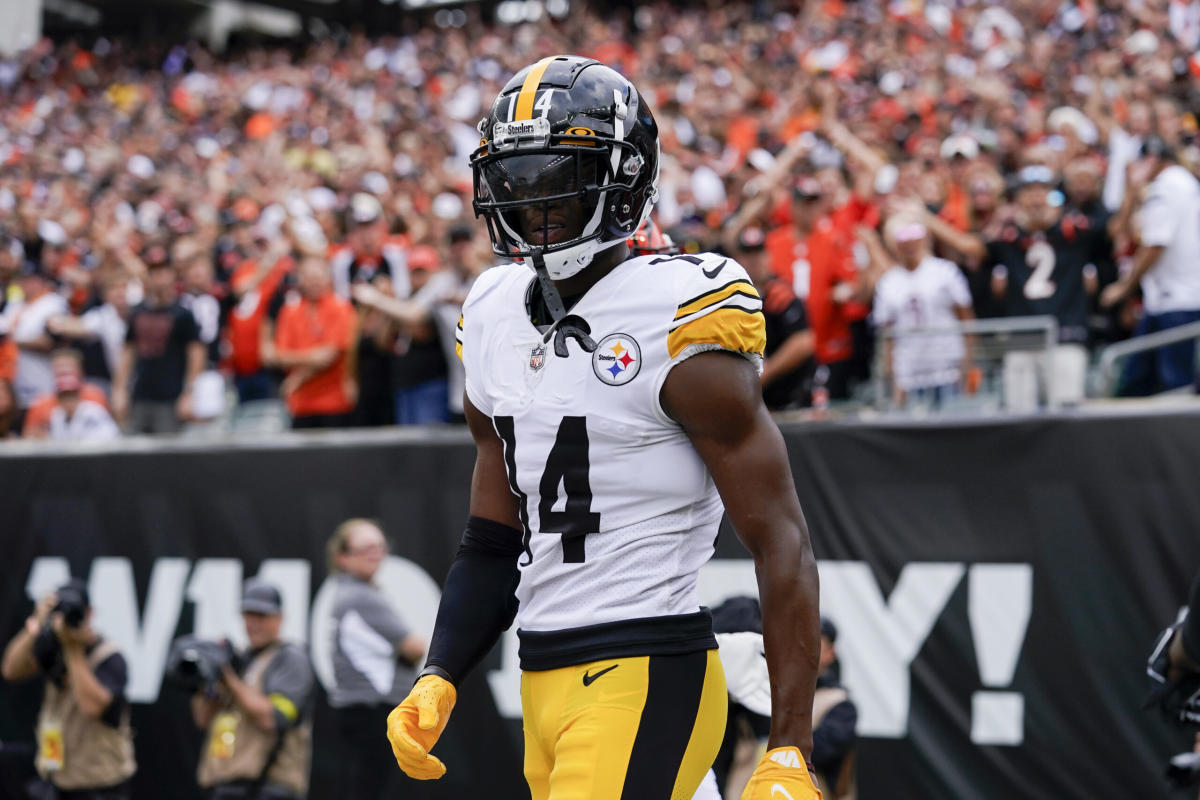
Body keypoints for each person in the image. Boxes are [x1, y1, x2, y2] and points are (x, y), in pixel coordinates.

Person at [385, 55, 822, 800]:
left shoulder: (681, 312)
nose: (533, 201)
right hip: (541, 676)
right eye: (517, 179)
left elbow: (780, 537)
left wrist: (790, 747)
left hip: (646, 664)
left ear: (625, 183)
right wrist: (440, 670)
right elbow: (493, 539)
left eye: (559, 177)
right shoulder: (491, 311)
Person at [0, 579, 136, 800]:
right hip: (58, 781)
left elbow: (92, 707)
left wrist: (73, 649)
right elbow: (10, 670)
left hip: (100, 786)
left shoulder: (110, 657)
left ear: (89, 614)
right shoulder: (53, 648)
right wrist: (36, 622)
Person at [325, 519, 426, 800]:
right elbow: (415, 648)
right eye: (367, 547)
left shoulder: (348, 593)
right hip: (373, 711)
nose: (376, 554)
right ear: (343, 557)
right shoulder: (361, 597)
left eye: (381, 547)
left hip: (361, 710)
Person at [193, 580, 315, 800]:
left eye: (262, 616)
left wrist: (230, 680)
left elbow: (273, 718)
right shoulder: (239, 659)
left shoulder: (290, 659)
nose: (254, 623)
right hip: (225, 783)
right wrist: (209, 683)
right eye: (249, 615)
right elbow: (203, 719)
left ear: (279, 618)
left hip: (270, 787)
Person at [1100, 137, 1200, 395]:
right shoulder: (1184, 183)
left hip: (1176, 300)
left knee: (1174, 386)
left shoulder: (1166, 187)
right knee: (1138, 382)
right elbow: (1120, 234)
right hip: (1170, 299)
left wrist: (1125, 287)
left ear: (1151, 160)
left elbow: (1155, 244)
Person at [871, 217, 974, 410]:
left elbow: (966, 320)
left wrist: (966, 366)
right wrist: (893, 376)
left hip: (947, 366)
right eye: (904, 240)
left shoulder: (945, 272)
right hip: (909, 371)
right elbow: (888, 336)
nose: (910, 245)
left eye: (914, 238)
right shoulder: (888, 282)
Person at [112, 259, 204, 434]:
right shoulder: (138, 311)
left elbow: (196, 354)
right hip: (140, 394)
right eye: (154, 273)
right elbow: (128, 352)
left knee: (166, 455)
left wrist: (188, 393)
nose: (159, 278)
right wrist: (119, 390)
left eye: (163, 273)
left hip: (171, 397)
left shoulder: (183, 314)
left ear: (172, 276)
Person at [270, 256, 357, 429]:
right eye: (309, 277)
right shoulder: (289, 311)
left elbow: (330, 355)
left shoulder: (341, 307)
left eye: (318, 276)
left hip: (334, 402)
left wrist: (297, 378)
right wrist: (311, 358)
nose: (314, 282)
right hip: (300, 405)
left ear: (328, 277)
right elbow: (278, 356)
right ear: (299, 279)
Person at [22, 349, 119, 441]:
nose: (64, 371)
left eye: (69, 367)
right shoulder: (40, 403)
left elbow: (108, 433)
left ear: (81, 371)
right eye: (59, 367)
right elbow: (29, 439)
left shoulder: (95, 398)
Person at [810, 618, 857, 800]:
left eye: (815, 641)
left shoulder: (841, 704)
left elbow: (820, 752)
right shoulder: (769, 689)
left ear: (831, 653)